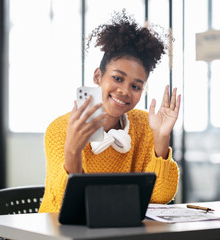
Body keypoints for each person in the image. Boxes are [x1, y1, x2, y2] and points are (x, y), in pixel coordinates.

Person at [39, 10, 181, 213]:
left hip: (120, 229)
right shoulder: (60, 129)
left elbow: (161, 196)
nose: (124, 91)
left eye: (136, 86)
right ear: (98, 76)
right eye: (117, 78)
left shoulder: (144, 125)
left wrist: (161, 139)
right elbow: (69, 204)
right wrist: (73, 150)